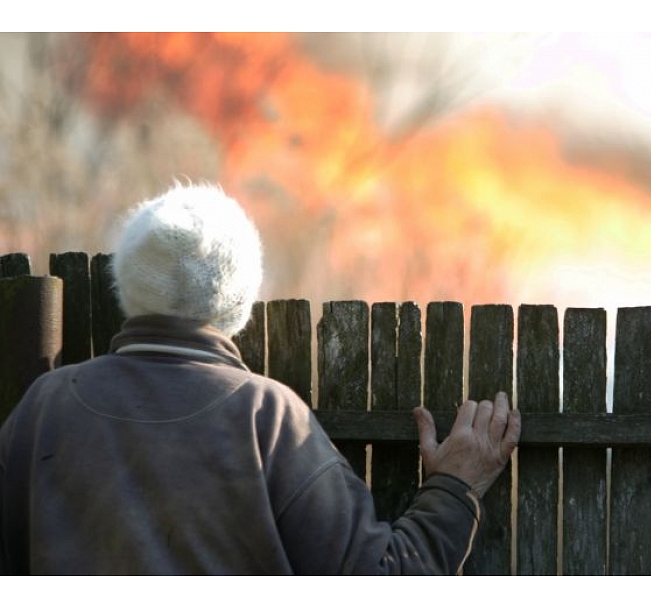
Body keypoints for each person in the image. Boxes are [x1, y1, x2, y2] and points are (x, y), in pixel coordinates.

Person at [0, 182, 521, 575]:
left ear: (125, 283)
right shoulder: (266, 415)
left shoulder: (43, 405)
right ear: (240, 299)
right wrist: (456, 485)